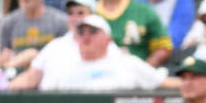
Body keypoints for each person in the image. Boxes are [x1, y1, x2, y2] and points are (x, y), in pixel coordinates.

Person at [38, 15, 179, 91]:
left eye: (93, 31)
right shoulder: (63, 66)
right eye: (81, 32)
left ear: (108, 39)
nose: (86, 36)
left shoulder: (127, 62)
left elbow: (163, 83)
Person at [9, 0, 99, 91]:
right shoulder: (54, 47)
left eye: (80, 13)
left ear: (93, 17)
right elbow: (30, 79)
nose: (74, 18)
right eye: (70, 13)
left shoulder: (104, 46)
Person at [93, 0, 173, 66]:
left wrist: (144, 71)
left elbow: (164, 46)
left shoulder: (142, 9)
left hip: (136, 75)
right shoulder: (88, 12)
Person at [0, 0, 67, 72]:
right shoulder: (8, 23)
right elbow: (0, 62)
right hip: (16, 76)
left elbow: (65, 58)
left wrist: (32, 57)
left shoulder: (59, 21)